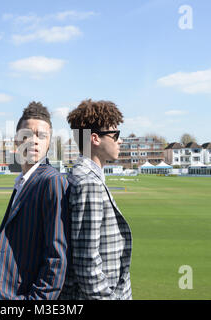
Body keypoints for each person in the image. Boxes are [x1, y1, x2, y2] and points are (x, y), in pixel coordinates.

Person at [0, 101, 70, 300]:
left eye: (42, 136)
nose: (34, 140)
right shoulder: (23, 181)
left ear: (49, 143)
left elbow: (57, 257)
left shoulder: (53, 181)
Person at [59, 99, 133, 300]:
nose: (120, 140)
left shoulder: (85, 177)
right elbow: (86, 263)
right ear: (95, 139)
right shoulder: (88, 183)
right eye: (115, 134)